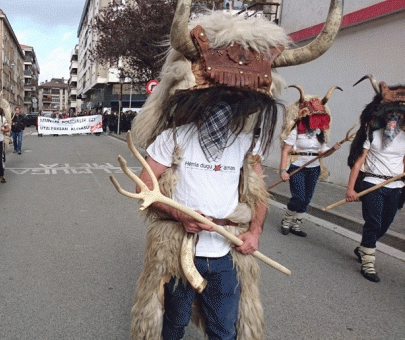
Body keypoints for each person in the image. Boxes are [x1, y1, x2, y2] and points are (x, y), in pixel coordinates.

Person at [127, 2, 341, 339]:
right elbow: (144, 187)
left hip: (223, 255)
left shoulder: (245, 145)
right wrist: (179, 215)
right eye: (216, 99)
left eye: (233, 101)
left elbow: (256, 195)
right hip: (177, 251)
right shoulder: (173, 138)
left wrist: (254, 232)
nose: (222, 109)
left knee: (224, 329)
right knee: (172, 326)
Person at [346, 75, 405, 283]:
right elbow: (358, 162)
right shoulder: (372, 132)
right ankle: (368, 263)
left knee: (385, 223)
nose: (393, 120)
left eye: (398, 115)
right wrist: (351, 189)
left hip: (395, 185)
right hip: (372, 183)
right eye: (391, 115)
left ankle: (364, 247)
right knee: (373, 221)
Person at [279, 85, 342, 237]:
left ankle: (296, 225)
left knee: (307, 198)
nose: (317, 120)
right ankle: (286, 220)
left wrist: (332, 149)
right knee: (298, 196)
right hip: (297, 167)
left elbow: (323, 153)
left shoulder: (320, 132)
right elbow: (286, 150)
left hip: (313, 168)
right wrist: (283, 170)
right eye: (314, 117)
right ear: (306, 116)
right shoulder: (296, 130)